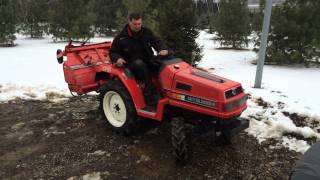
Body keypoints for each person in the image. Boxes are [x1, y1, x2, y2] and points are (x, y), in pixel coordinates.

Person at [109, 13, 169, 109]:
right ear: (129, 23)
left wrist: (162, 49)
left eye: (139, 24)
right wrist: (117, 58)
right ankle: (150, 95)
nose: (137, 26)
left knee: (164, 61)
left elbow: (156, 41)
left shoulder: (146, 32)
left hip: (147, 59)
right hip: (130, 63)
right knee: (140, 65)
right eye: (135, 24)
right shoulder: (121, 37)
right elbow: (113, 52)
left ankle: (167, 90)